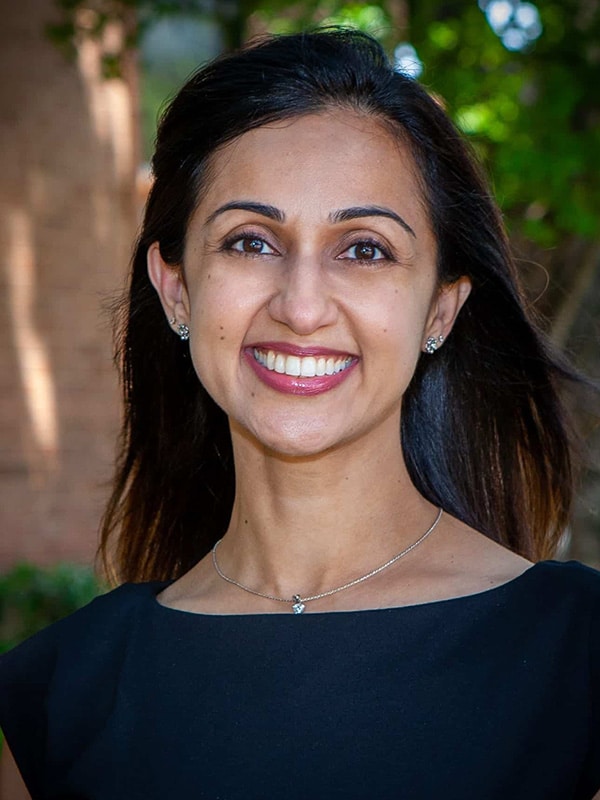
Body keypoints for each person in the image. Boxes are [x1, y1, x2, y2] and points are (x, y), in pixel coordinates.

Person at [1, 28, 599, 800]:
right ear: (177, 290)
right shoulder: (61, 697)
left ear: (440, 310)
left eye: (364, 249)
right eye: (251, 242)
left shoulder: (579, 658)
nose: (302, 306)